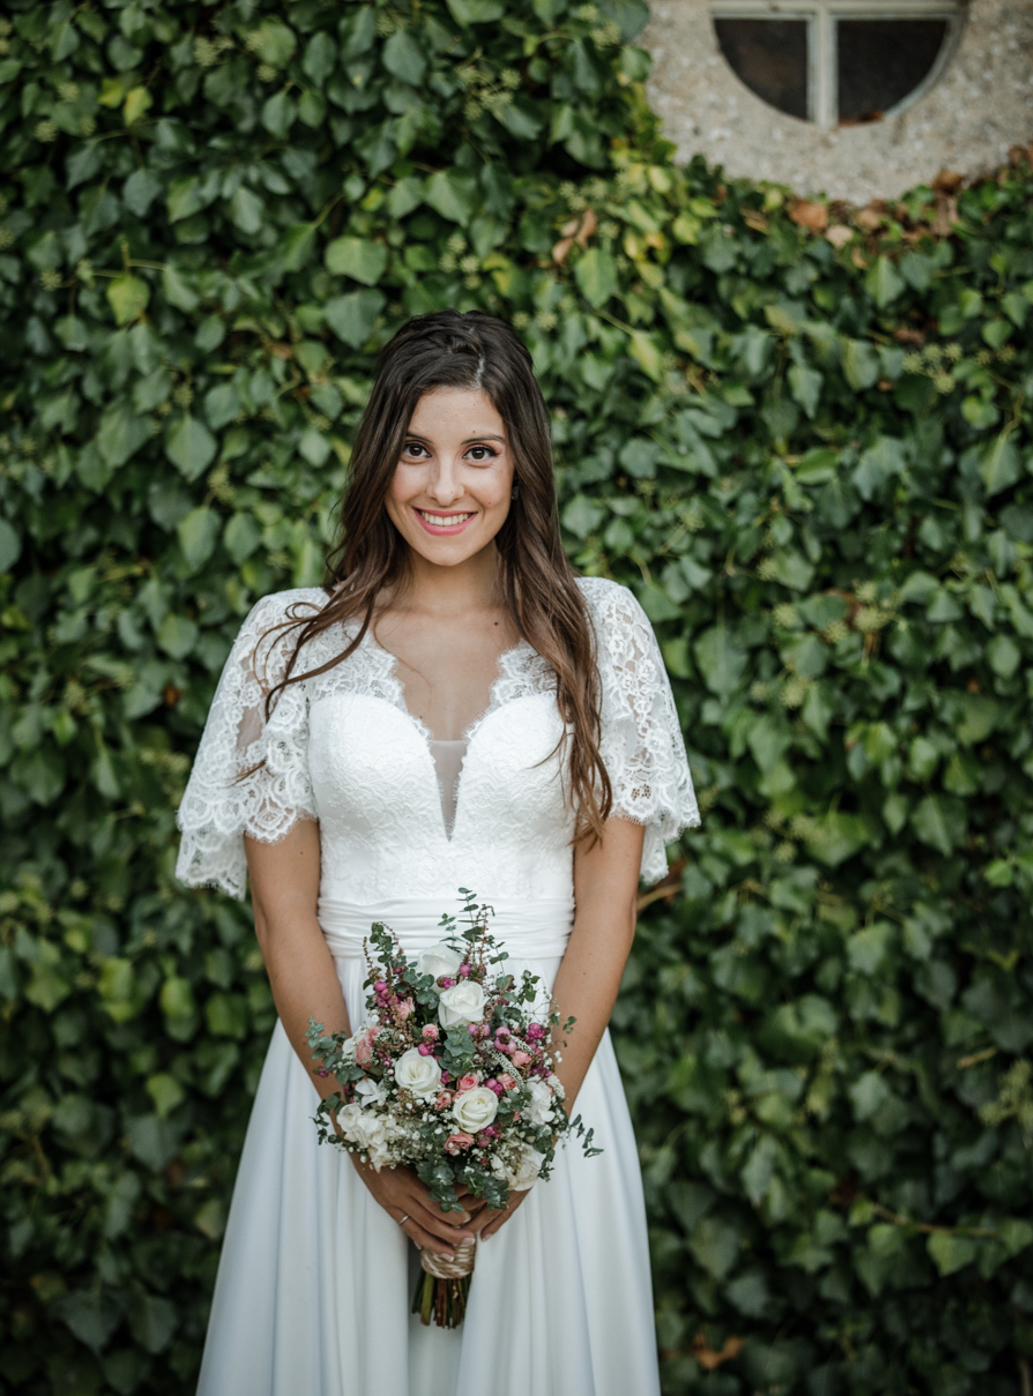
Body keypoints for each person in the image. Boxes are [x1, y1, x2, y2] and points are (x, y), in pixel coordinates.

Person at [175, 309, 699, 1396]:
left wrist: (532, 1128)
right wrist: (363, 1131)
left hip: (546, 1081)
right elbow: (284, 914)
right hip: (343, 1080)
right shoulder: (293, 643)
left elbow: (608, 903)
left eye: (479, 451)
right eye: (415, 448)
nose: (443, 486)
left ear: (522, 466)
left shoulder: (598, 634)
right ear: (379, 458)